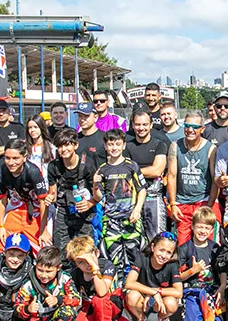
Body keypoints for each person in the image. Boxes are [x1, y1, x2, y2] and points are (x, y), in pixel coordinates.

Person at [93, 129, 147, 281]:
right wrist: (95, 186)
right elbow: (98, 198)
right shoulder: (102, 169)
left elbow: (142, 190)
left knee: (134, 255)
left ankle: (134, 287)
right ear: (105, 146)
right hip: (110, 220)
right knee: (114, 257)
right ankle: (117, 289)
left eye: (117, 144)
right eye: (110, 144)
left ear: (124, 145)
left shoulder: (132, 166)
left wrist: (137, 210)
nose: (114, 148)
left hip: (131, 218)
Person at [13, 245, 81, 321]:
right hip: (37, 320)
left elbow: (76, 299)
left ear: (58, 268)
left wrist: (58, 300)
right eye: (40, 270)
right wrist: (28, 309)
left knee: (67, 311)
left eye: (49, 271)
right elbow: (17, 307)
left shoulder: (65, 279)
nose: (44, 275)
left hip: (56, 315)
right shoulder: (28, 283)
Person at [66, 235, 131, 321]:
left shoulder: (106, 266)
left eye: (88, 259)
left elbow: (102, 291)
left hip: (112, 305)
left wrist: (95, 268)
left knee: (99, 299)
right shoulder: (76, 274)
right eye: (81, 262)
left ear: (96, 253)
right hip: (90, 307)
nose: (86, 265)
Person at [168, 111, 219, 245]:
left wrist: (209, 206)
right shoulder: (175, 146)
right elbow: (172, 176)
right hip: (182, 202)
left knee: (207, 244)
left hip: (204, 201)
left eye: (195, 127)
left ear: (202, 129)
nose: (190, 130)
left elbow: (215, 180)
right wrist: (173, 204)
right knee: (182, 245)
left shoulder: (210, 149)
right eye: (187, 125)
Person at [46, 129, 97, 261]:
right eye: (60, 146)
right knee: (61, 249)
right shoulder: (53, 167)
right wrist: (49, 198)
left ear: (75, 145)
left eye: (67, 145)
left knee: (86, 249)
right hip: (63, 209)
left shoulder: (88, 164)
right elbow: (53, 193)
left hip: (84, 210)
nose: (64, 149)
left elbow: (98, 191)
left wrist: (90, 203)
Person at [0, 139, 49, 252]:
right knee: (0, 242)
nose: (11, 162)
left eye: (16, 158)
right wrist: (1, 227)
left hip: (36, 208)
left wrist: (44, 230)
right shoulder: (1, 171)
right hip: (16, 206)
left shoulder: (33, 172)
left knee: (43, 246)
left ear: (25, 157)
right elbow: (1, 199)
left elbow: (43, 202)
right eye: (7, 158)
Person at [179, 207, 225, 321]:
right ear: (192, 226)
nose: (202, 231)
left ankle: (204, 316)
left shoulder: (215, 247)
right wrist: (193, 270)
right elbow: (176, 277)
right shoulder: (185, 248)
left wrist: (222, 286)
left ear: (211, 230)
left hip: (210, 292)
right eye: (199, 227)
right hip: (192, 291)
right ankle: (192, 314)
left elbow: (222, 269)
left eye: (207, 228)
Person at [125, 233, 183, 321]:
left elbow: (179, 292)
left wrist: (156, 291)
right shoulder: (142, 258)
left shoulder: (172, 264)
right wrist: (152, 293)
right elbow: (129, 283)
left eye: (169, 252)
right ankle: (141, 319)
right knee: (131, 297)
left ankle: (163, 318)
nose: (164, 255)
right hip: (142, 298)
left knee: (171, 303)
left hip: (161, 299)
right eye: (161, 250)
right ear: (152, 247)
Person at [126, 108, 170, 241]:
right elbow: (123, 171)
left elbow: (157, 170)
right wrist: (146, 171)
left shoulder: (159, 145)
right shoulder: (127, 146)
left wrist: (134, 171)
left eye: (145, 124)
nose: (141, 128)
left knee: (156, 238)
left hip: (154, 196)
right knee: (133, 238)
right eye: (138, 124)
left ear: (151, 125)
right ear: (133, 125)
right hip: (132, 196)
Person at [74, 103, 107, 172]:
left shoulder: (105, 138)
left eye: (86, 116)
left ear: (95, 117)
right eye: (80, 116)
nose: (82, 119)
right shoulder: (74, 139)